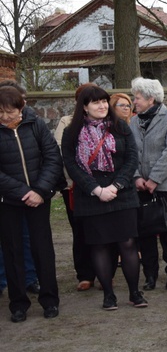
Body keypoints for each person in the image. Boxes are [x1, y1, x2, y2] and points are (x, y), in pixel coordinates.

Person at [62, 84, 147, 310]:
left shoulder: (120, 126)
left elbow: (131, 158)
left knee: (127, 243)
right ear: (85, 107)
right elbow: (71, 165)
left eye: (103, 101)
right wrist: (97, 189)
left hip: (122, 192)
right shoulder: (71, 132)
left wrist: (116, 185)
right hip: (91, 195)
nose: (101, 106)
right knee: (99, 246)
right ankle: (108, 295)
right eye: (95, 102)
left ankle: (134, 293)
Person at [0, 86, 63, 322]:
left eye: (10, 111)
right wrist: (22, 191)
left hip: (39, 199)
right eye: (0, 112)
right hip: (9, 201)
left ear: (21, 108)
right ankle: (18, 304)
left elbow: (51, 157)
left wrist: (39, 191)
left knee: (42, 250)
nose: (5, 117)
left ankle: (50, 300)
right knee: (12, 251)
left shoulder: (35, 125)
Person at [130, 77, 167, 291]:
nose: (134, 101)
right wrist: (136, 177)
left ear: (150, 98)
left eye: (137, 97)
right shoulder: (134, 121)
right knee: (145, 233)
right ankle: (150, 275)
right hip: (141, 186)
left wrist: (154, 179)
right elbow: (131, 153)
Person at [55, 84, 96, 291]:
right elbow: (63, 154)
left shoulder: (105, 122)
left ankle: (103, 270)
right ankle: (85, 273)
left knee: (101, 230)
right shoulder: (67, 122)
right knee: (79, 231)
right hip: (75, 186)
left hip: (101, 186)